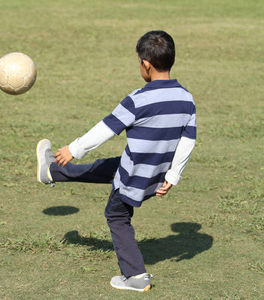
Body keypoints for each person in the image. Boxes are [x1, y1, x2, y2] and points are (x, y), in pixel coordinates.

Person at [36, 30, 196, 292]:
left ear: (145, 63)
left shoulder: (138, 99)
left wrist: (74, 149)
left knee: (117, 215)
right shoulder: (186, 98)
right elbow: (188, 140)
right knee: (111, 167)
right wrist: (173, 176)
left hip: (136, 175)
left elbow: (106, 129)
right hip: (155, 173)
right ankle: (52, 172)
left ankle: (136, 276)